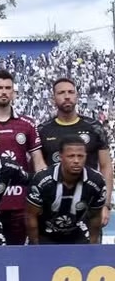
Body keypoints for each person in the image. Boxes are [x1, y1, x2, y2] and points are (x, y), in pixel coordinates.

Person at [0, 70, 46, 245]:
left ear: (13, 92)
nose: (4, 92)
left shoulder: (27, 124)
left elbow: (38, 160)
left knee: (17, 253)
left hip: (19, 203)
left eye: (8, 88)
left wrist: (44, 189)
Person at [38, 78, 112, 227]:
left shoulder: (94, 127)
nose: (67, 96)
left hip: (89, 205)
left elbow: (106, 166)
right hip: (52, 206)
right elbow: (38, 170)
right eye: (61, 93)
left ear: (77, 96)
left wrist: (105, 204)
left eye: (71, 92)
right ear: (53, 98)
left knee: (91, 243)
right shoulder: (43, 130)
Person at [27, 136, 107, 245]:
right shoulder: (42, 180)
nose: (76, 161)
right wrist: (35, 247)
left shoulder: (96, 181)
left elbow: (95, 217)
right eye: (71, 156)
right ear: (60, 156)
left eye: (80, 156)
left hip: (77, 232)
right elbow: (31, 216)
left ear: (86, 156)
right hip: (45, 234)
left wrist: (92, 247)